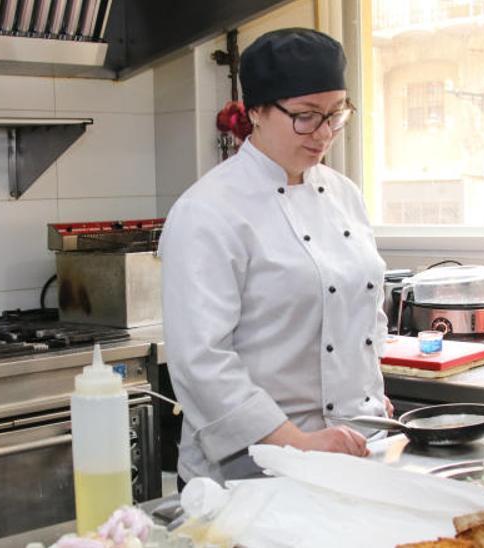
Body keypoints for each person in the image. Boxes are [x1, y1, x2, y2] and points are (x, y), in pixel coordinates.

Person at [159, 28, 393, 484]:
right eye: (305, 116)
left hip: (353, 451)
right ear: (256, 112)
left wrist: (364, 393)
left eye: (335, 114)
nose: (324, 133)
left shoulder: (344, 194)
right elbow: (201, 361)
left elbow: (363, 311)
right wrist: (295, 441)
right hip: (256, 469)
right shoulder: (207, 210)